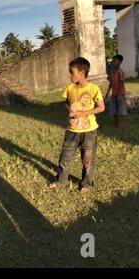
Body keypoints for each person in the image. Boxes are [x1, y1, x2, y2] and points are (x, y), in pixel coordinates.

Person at [50, 57, 105, 193]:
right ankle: (61, 180)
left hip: (89, 131)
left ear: (81, 72)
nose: (69, 75)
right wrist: (68, 108)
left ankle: (86, 183)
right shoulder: (70, 88)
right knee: (65, 157)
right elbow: (67, 103)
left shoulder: (93, 88)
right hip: (72, 130)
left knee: (87, 158)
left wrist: (83, 113)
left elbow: (101, 108)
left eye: (71, 72)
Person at [105, 55, 127, 127]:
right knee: (114, 110)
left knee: (121, 110)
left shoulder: (120, 72)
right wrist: (108, 92)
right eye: (113, 61)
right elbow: (111, 83)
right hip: (114, 94)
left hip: (120, 94)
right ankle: (116, 124)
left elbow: (121, 83)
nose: (113, 63)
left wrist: (120, 95)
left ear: (120, 62)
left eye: (115, 61)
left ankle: (121, 124)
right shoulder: (113, 72)